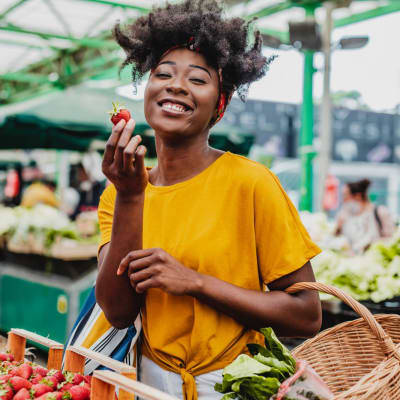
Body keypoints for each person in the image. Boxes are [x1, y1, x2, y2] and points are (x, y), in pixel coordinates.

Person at [95, 1, 322, 399]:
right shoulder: (120, 192)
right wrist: (132, 197)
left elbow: (306, 314)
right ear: (147, 90)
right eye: (162, 74)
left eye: (197, 80)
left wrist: (196, 283)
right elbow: (117, 311)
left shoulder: (251, 183)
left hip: (236, 385)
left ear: (221, 102)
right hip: (148, 385)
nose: (176, 85)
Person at [335, 179, 396, 254]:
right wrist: (338, 229)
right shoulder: (347, 216)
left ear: (358, 196)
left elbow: (392, 240)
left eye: (345, 196)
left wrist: (370, 244)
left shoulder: (380, 212)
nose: (343, 200)